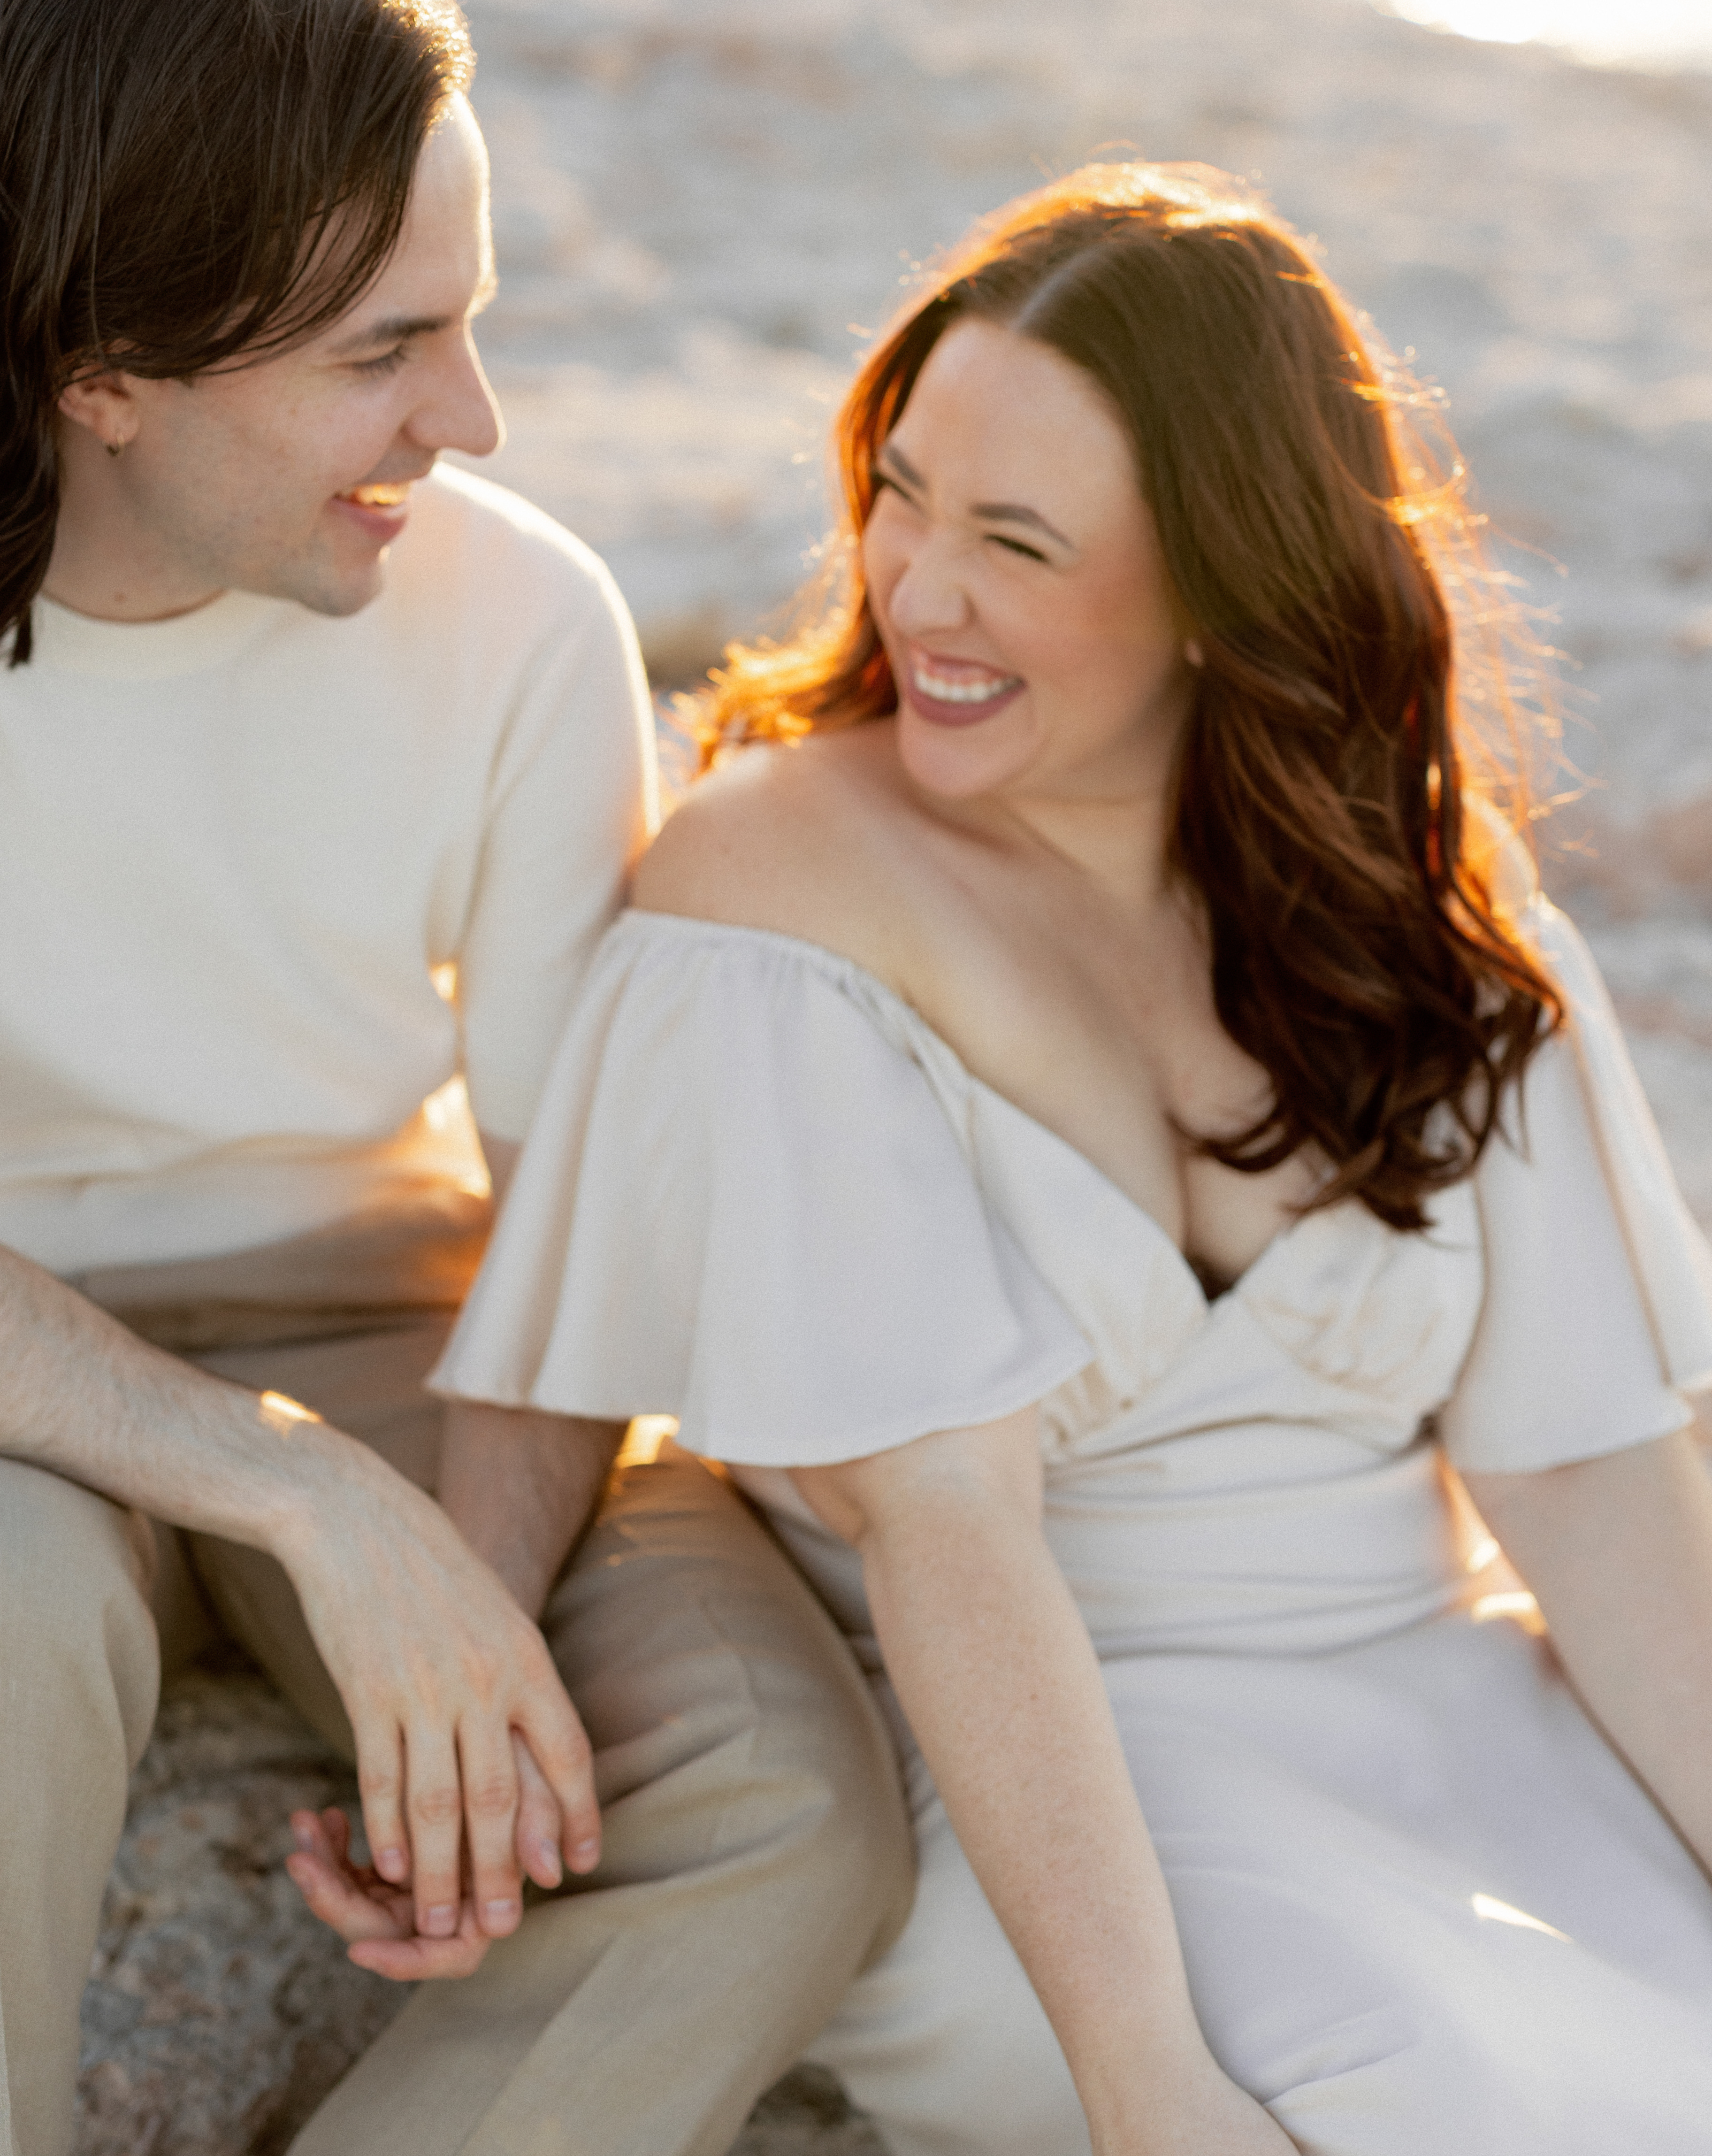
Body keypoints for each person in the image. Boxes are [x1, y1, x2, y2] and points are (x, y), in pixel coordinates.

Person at [435, 160, 1712, 2155]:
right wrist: (1149, 2089)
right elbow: (954, 1533)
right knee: (1446, 2095)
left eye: (1014, 541)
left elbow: (1592, 1478)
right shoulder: (778, 897)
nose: (914, 586)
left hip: (1454, 1717)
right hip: (1051, 1783)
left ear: (1222, 587)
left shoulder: (1416, 902)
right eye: (904, 488)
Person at [0, 0, 910, 2156]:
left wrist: (462, 1613)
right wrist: (285, 1498)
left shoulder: (520, 626)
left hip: (397, 1312)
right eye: (384, 349)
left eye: (474, 324)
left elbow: (566, 1204)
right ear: (104, 375)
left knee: (785, 1801)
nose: (472, 418)